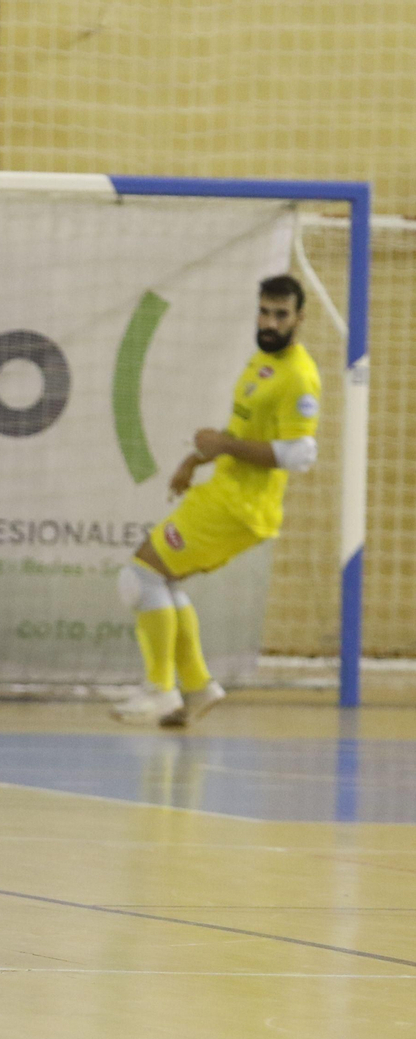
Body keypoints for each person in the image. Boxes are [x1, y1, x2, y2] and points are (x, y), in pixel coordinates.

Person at [112, 275, 322, 726]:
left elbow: (300, 454)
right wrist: (195, 458)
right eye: (264, 311)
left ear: (299, 318)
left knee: (140, 575)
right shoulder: (262, 363)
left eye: (281, 315)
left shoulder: (298, 376)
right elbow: (241, 435)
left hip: (240, 507)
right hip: (226, 495)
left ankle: (160, 689)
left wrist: (223, 448)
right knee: (162, 581)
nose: (270, 322)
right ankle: (198, 686)